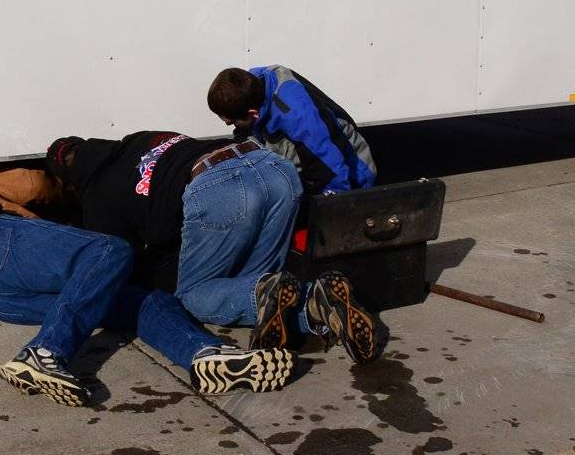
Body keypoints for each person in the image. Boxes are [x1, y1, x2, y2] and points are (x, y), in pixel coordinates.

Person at [0, 168, 294, 405]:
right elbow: (30, 183)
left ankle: (205, 356)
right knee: (110, 252)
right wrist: (68, 188)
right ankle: (45, 352)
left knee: (133, 301)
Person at [48, 132, 387, 364]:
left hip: (219, 187)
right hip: (273, 169)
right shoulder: (137, 140)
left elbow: (118, 263)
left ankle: (279, 297)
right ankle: (316, 301)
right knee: (258, 282)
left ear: (66, 181)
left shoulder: (96, 197)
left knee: (194, 294)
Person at [207, 66, 376, 195]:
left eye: (231, 123)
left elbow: (330, 168)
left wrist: (335, 207)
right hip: (311, 151)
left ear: (253, 113)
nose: (231, 126)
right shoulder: (250, 84)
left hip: (350, 171)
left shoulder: (297, 115)